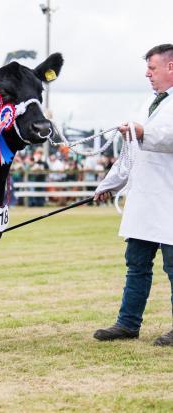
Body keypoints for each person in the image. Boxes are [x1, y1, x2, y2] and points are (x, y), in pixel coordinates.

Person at [93, 44, 173, 346]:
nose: (147, 74)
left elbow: (168, 137)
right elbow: (130, 155)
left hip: (169, 200)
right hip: (143, 201)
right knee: (136, 264)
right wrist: (108, 184)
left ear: (171, 67)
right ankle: (127, 323)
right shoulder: (147, 103)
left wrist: (142, 132)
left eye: (152, 68)